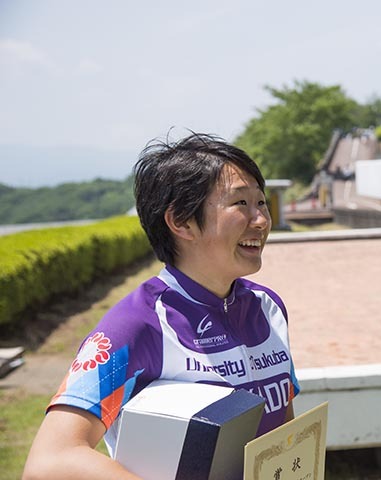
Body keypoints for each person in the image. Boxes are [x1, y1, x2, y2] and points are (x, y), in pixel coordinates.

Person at [23, 133, 299, 479]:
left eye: (261, 203)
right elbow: (50, 462)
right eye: (240, 204)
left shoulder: (268, 308)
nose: (260, 220)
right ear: (181, 221)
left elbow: (283, 429)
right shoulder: (134, 325)